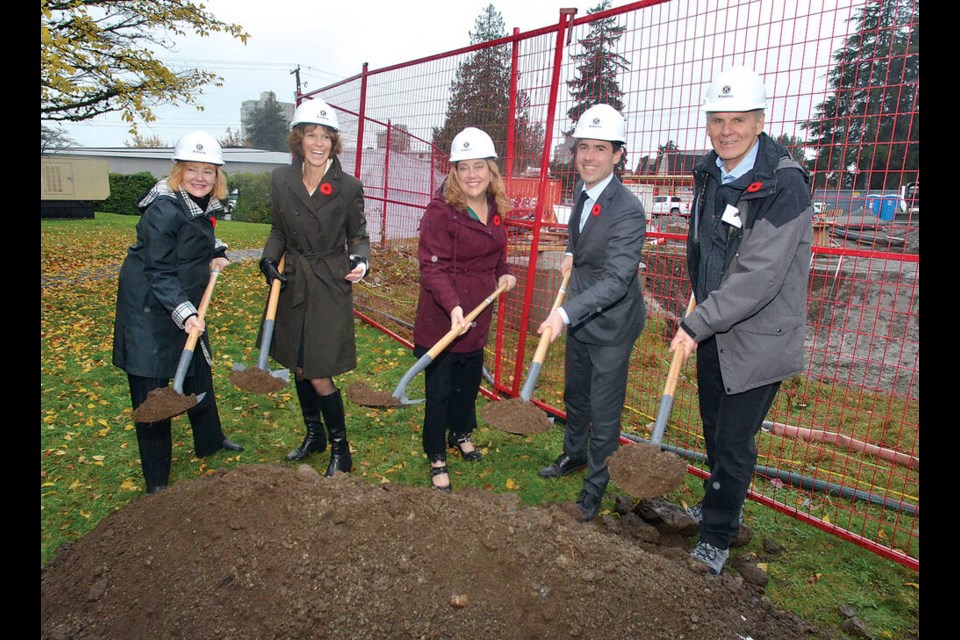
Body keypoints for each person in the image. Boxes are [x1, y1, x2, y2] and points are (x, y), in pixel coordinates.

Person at [670, 67, 812, 575]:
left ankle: (717, 535)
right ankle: (718, 506)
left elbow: (760, 276)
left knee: (732, 440)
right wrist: (701, 312)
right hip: (713, 329)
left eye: (738, 119)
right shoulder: (711, 172)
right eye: (717, 119)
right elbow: (708, 248)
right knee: (713, 430)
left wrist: (696, 323)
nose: (726, 129)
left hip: (757, 337)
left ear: (758, 122)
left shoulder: (784, 184)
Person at [112, 131, 244, 495]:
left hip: (179, 298)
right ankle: (157, 482)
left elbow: (197, 237)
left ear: (218, 175)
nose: (201, 177)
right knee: (152, 394)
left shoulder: (195, 204)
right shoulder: (163, 211)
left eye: (208, 170)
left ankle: (210, 441)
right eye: (192, 169)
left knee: (198, 372)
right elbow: (158, 270)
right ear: (178, 170)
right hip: (149, 310)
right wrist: (186, 314)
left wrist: (217, 250)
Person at [537, 104, 647, 521]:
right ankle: (573, 456)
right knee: (575, 396)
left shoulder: (629, 209)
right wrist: (570, 252)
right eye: (583, 147)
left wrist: (563, 315)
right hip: (581, 313)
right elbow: (582, 237)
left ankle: (594, 486)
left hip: (612, 324)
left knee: (604, 411)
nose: (588, 157)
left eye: (599, 149)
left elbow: (618, 280)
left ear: (618, 155)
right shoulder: (584, 193)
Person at [259, 98, 371, 476]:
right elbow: (278, 229)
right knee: (298, 364)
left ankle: (342, 450)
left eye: (326, 136)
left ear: (334, 142)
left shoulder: (349, 186)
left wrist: (361, 261)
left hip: (328, 281)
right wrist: (268, 258)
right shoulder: (281, 179)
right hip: (294, 280)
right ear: (299, 139)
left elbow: (358, 235)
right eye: (312, 135)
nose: (319, 143)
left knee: (320, 369)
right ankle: (314, 436)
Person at [412, 127, 517, 492]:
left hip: (479, 312)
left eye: (480, 167)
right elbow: (432, 267)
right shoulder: (441, 211)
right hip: (443, 315)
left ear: (491, 171)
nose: (472, 175)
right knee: (439, 389)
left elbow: (498, 256)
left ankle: (460, 432)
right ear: (454, 171)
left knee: (467, 384)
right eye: (464, 167)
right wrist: (454, 306)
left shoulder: (496, 209)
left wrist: (504, 275)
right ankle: (437, 454)